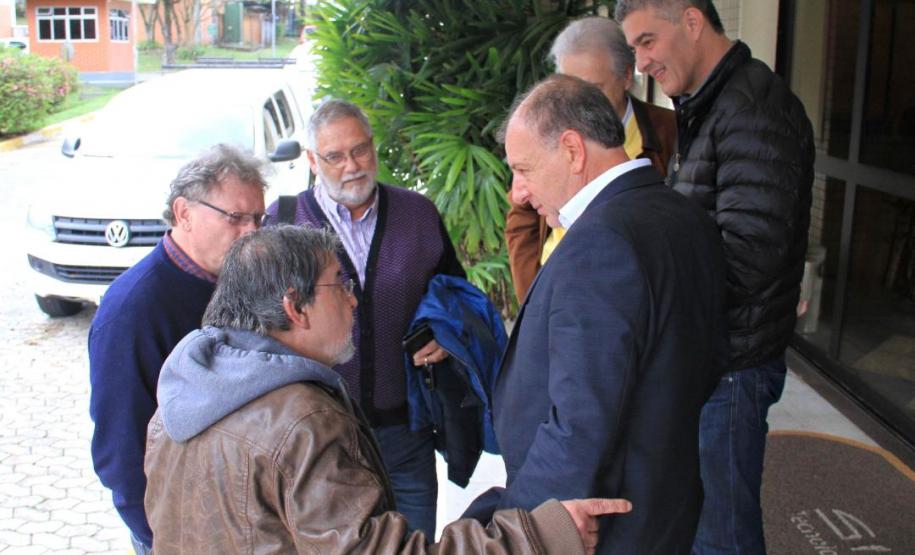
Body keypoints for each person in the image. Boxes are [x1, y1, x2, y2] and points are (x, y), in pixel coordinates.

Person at [143, 225, 633, 555]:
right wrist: (540, 536)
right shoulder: (301, 421)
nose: (354, 300)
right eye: (339, 284)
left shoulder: (181, 402)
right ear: (295, 307)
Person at [464, 74, 728, 554]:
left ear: (572, 150)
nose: (517, 192)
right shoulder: (683, 213)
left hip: (605, 525)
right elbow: (707, 361)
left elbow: (578, 427)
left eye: (523, 169)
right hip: (664, 499)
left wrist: (516, 530)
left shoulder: (600, 244)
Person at [616, 2, 816, 553]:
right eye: (633, 48)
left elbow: (749, 257)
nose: (641, 63)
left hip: (732, 365)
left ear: (692, 21)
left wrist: (657, 307)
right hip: (713, 355)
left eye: (647, 41)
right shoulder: (712, 103)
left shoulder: (753, 108)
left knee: (721, 536)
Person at [265, 99, 463, 538]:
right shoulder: (281, 222)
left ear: (373, 146)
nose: (352, 166)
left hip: (406, 432)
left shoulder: (418, 214)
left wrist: (445, 334)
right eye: (335, 156)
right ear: (312, 161)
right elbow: (258, 332)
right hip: (318, 436)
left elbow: (455, 297)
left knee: (414, 544)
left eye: (360, 150)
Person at [88, 144, 268, 554]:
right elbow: (119, 452)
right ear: (184, 213)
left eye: (258, 218)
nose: (251, 232)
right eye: (235, 217)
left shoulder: (235, 278)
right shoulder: (132, 309)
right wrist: (162, 537)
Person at [504, 16, 676, 302]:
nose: (579, 102)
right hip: (556, 282)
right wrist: (534, 298)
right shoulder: (543, 132)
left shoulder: (669, 132)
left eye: (594, 89)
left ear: (626, 76)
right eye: (568, 88)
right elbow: (522, 219)